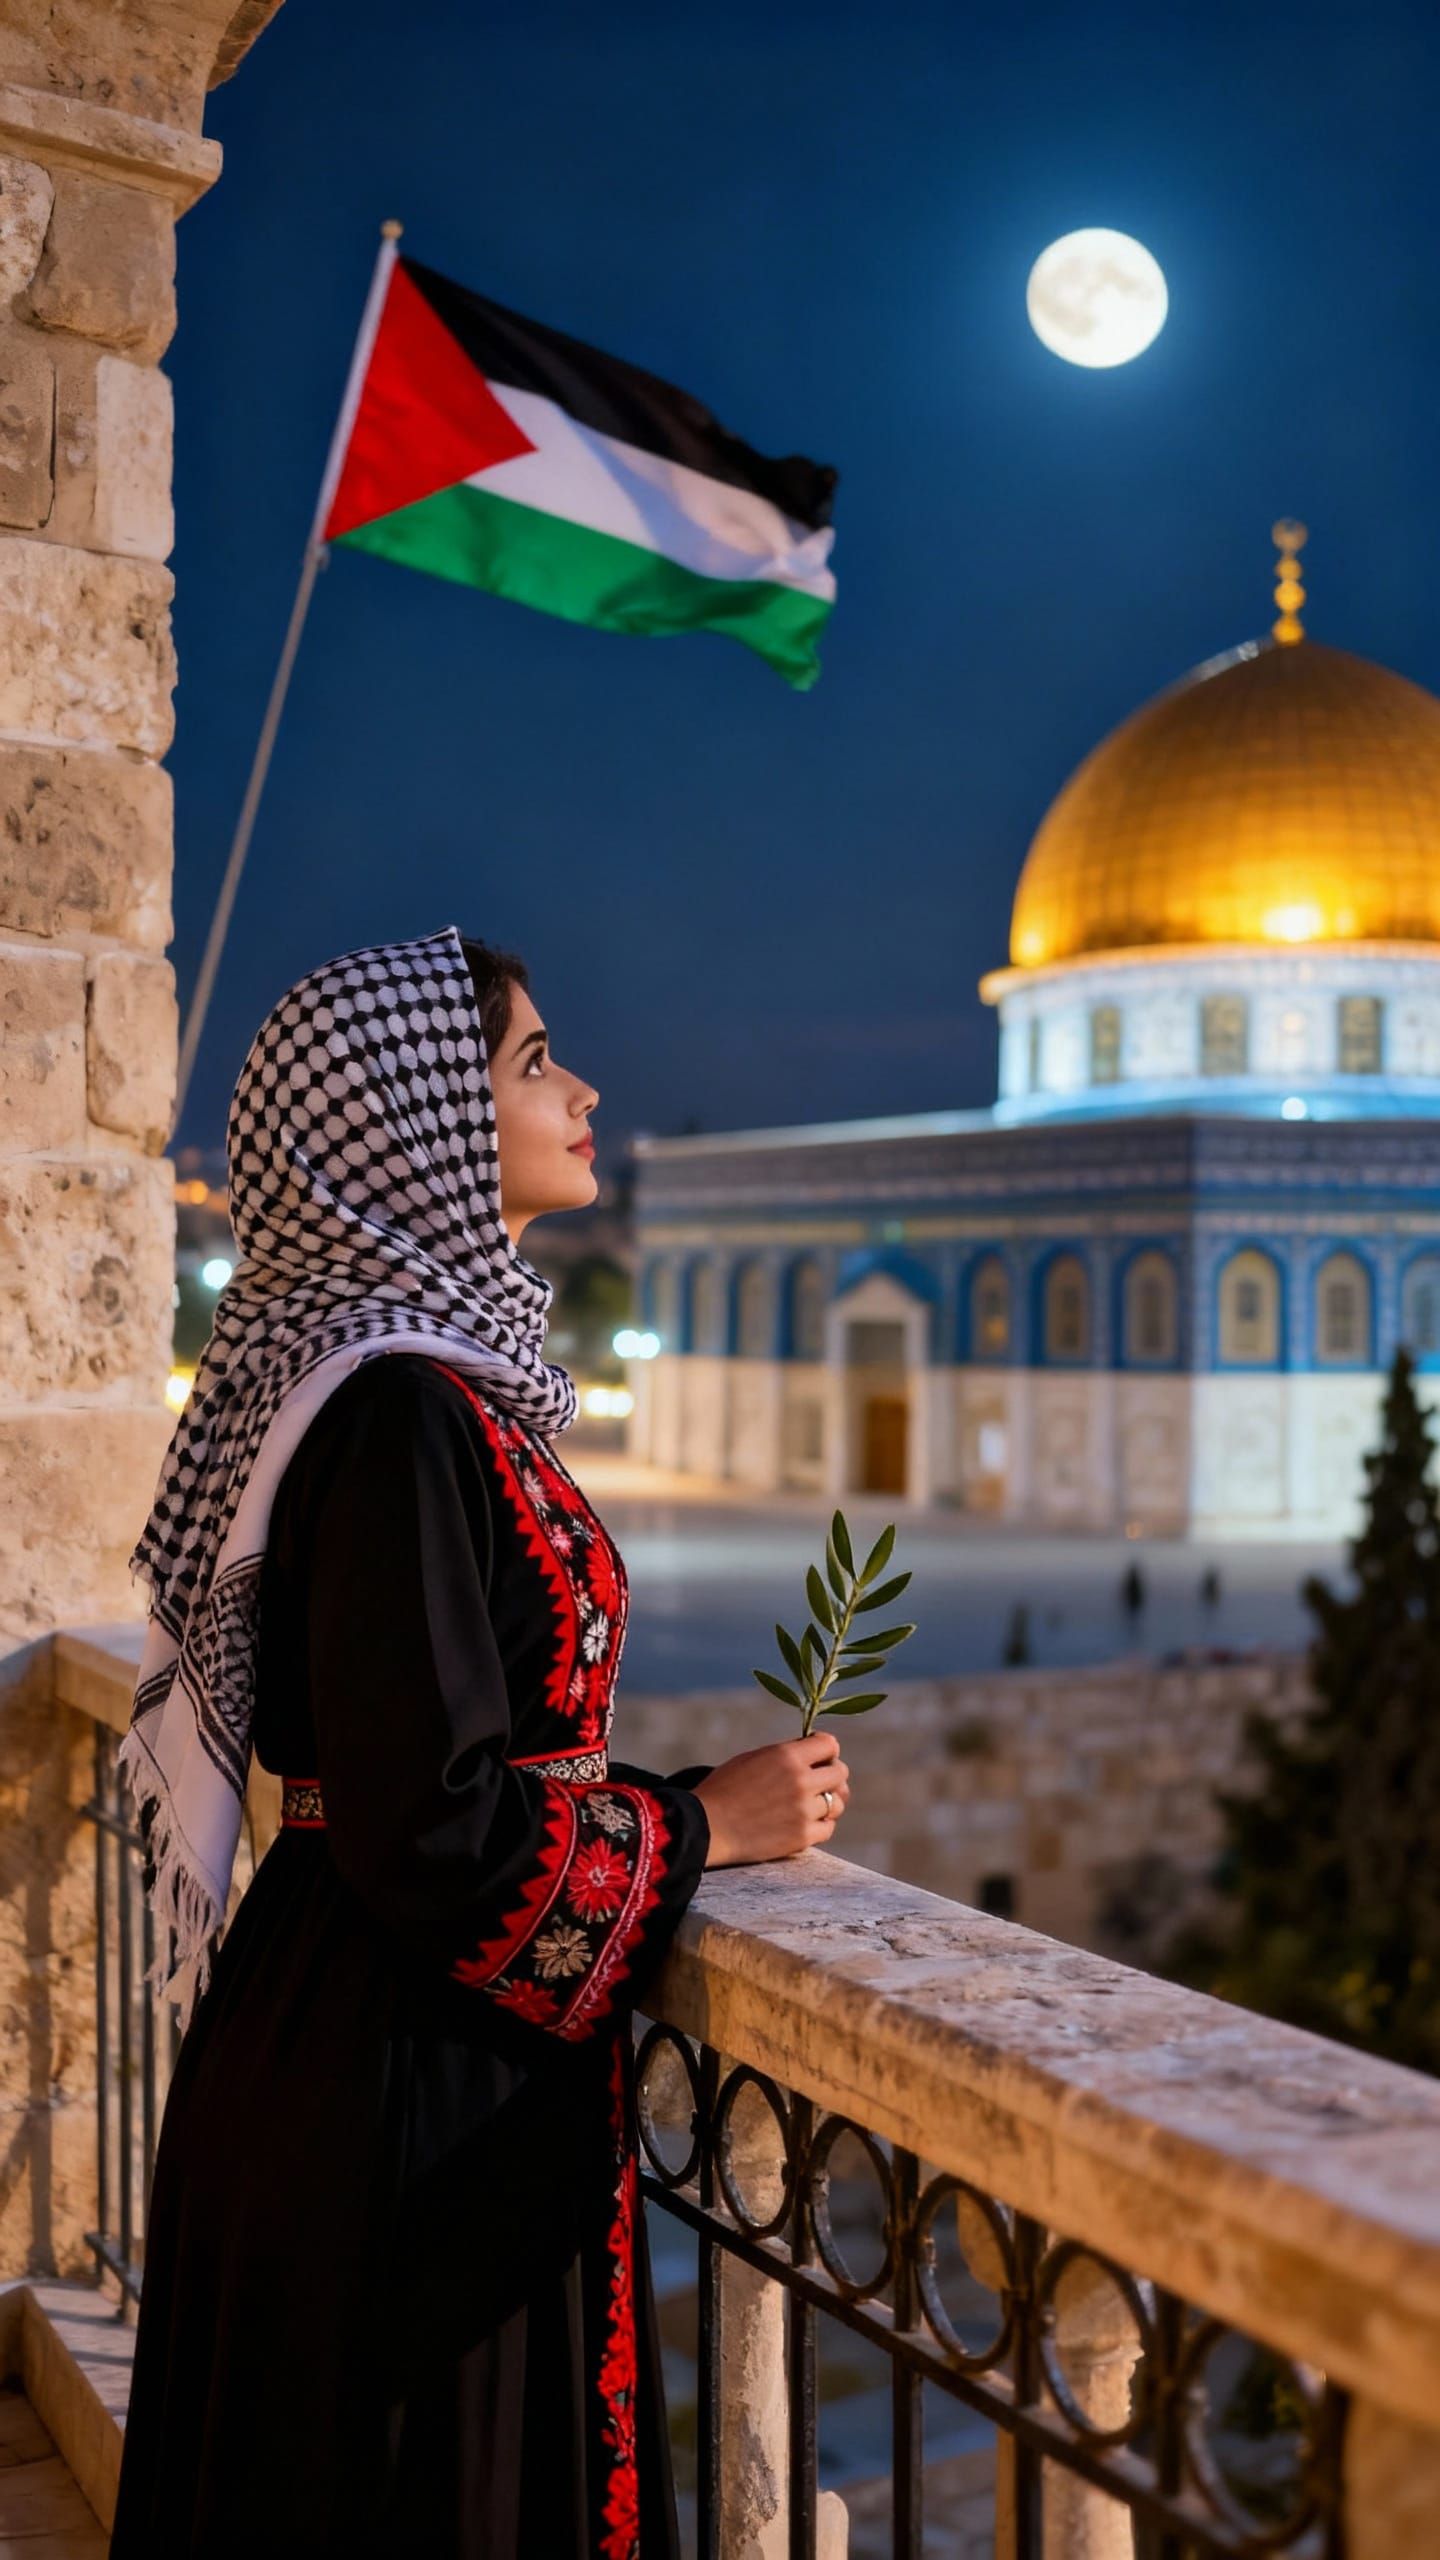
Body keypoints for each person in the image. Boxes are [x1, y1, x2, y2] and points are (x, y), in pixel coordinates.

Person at [108, 924, 851, 2559]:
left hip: (374, 2026)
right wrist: (702, 1829)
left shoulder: (423, 1395)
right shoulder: (393, 1417)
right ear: (414, 1123)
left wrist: (655, 1808)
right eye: (530, 1064)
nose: (583, 1090)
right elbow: (431, 1827)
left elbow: (447, 1762)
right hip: (399, 2079)